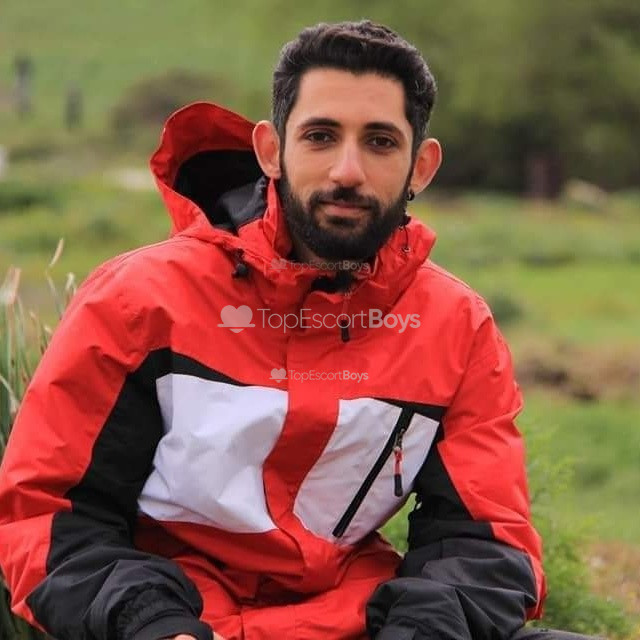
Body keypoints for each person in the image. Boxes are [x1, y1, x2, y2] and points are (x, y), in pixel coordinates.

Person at [0, 20, 602, 640]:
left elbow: (485, 542)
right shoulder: (137, 301)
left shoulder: (456, 326)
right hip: (173, 623)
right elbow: (46, 513)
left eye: (380, 142)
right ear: (271, 150)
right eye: (320, 136)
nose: (347, 171)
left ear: (421, 166)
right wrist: (152, 625)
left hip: (361, 624)